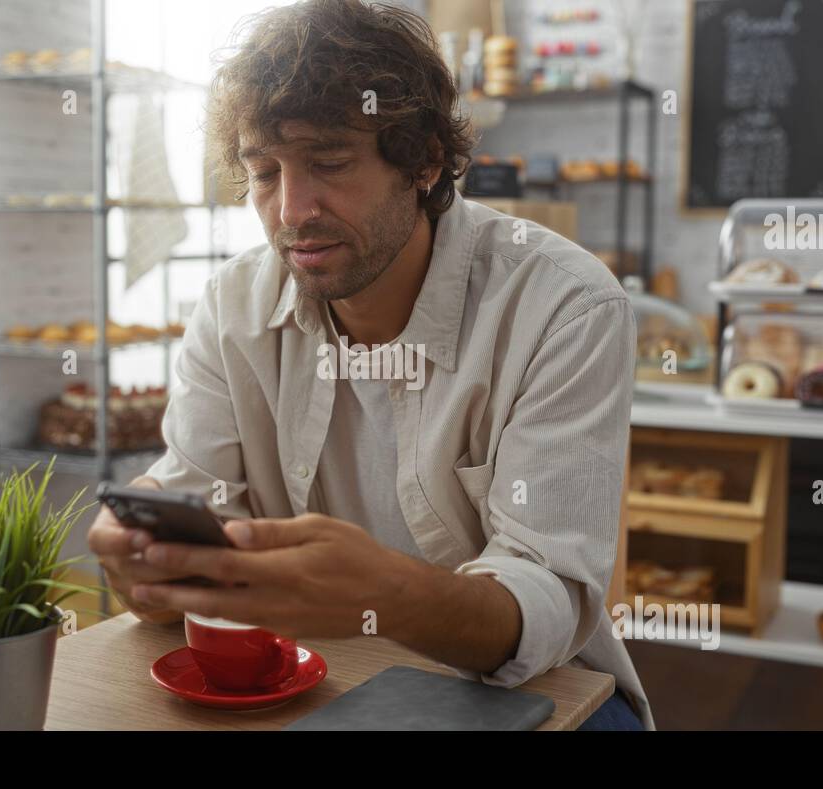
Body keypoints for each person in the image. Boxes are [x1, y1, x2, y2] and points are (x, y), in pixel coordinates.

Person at [86, 0, 651, 731]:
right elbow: (197, 508)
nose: (291, 211)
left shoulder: (563, 306)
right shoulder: (233, 306)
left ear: (423, 159)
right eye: (263, 173)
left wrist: (386, 594)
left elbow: (546, 596)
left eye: (328, 163)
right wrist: (145, 561)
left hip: (538, 697)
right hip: (320, 680)